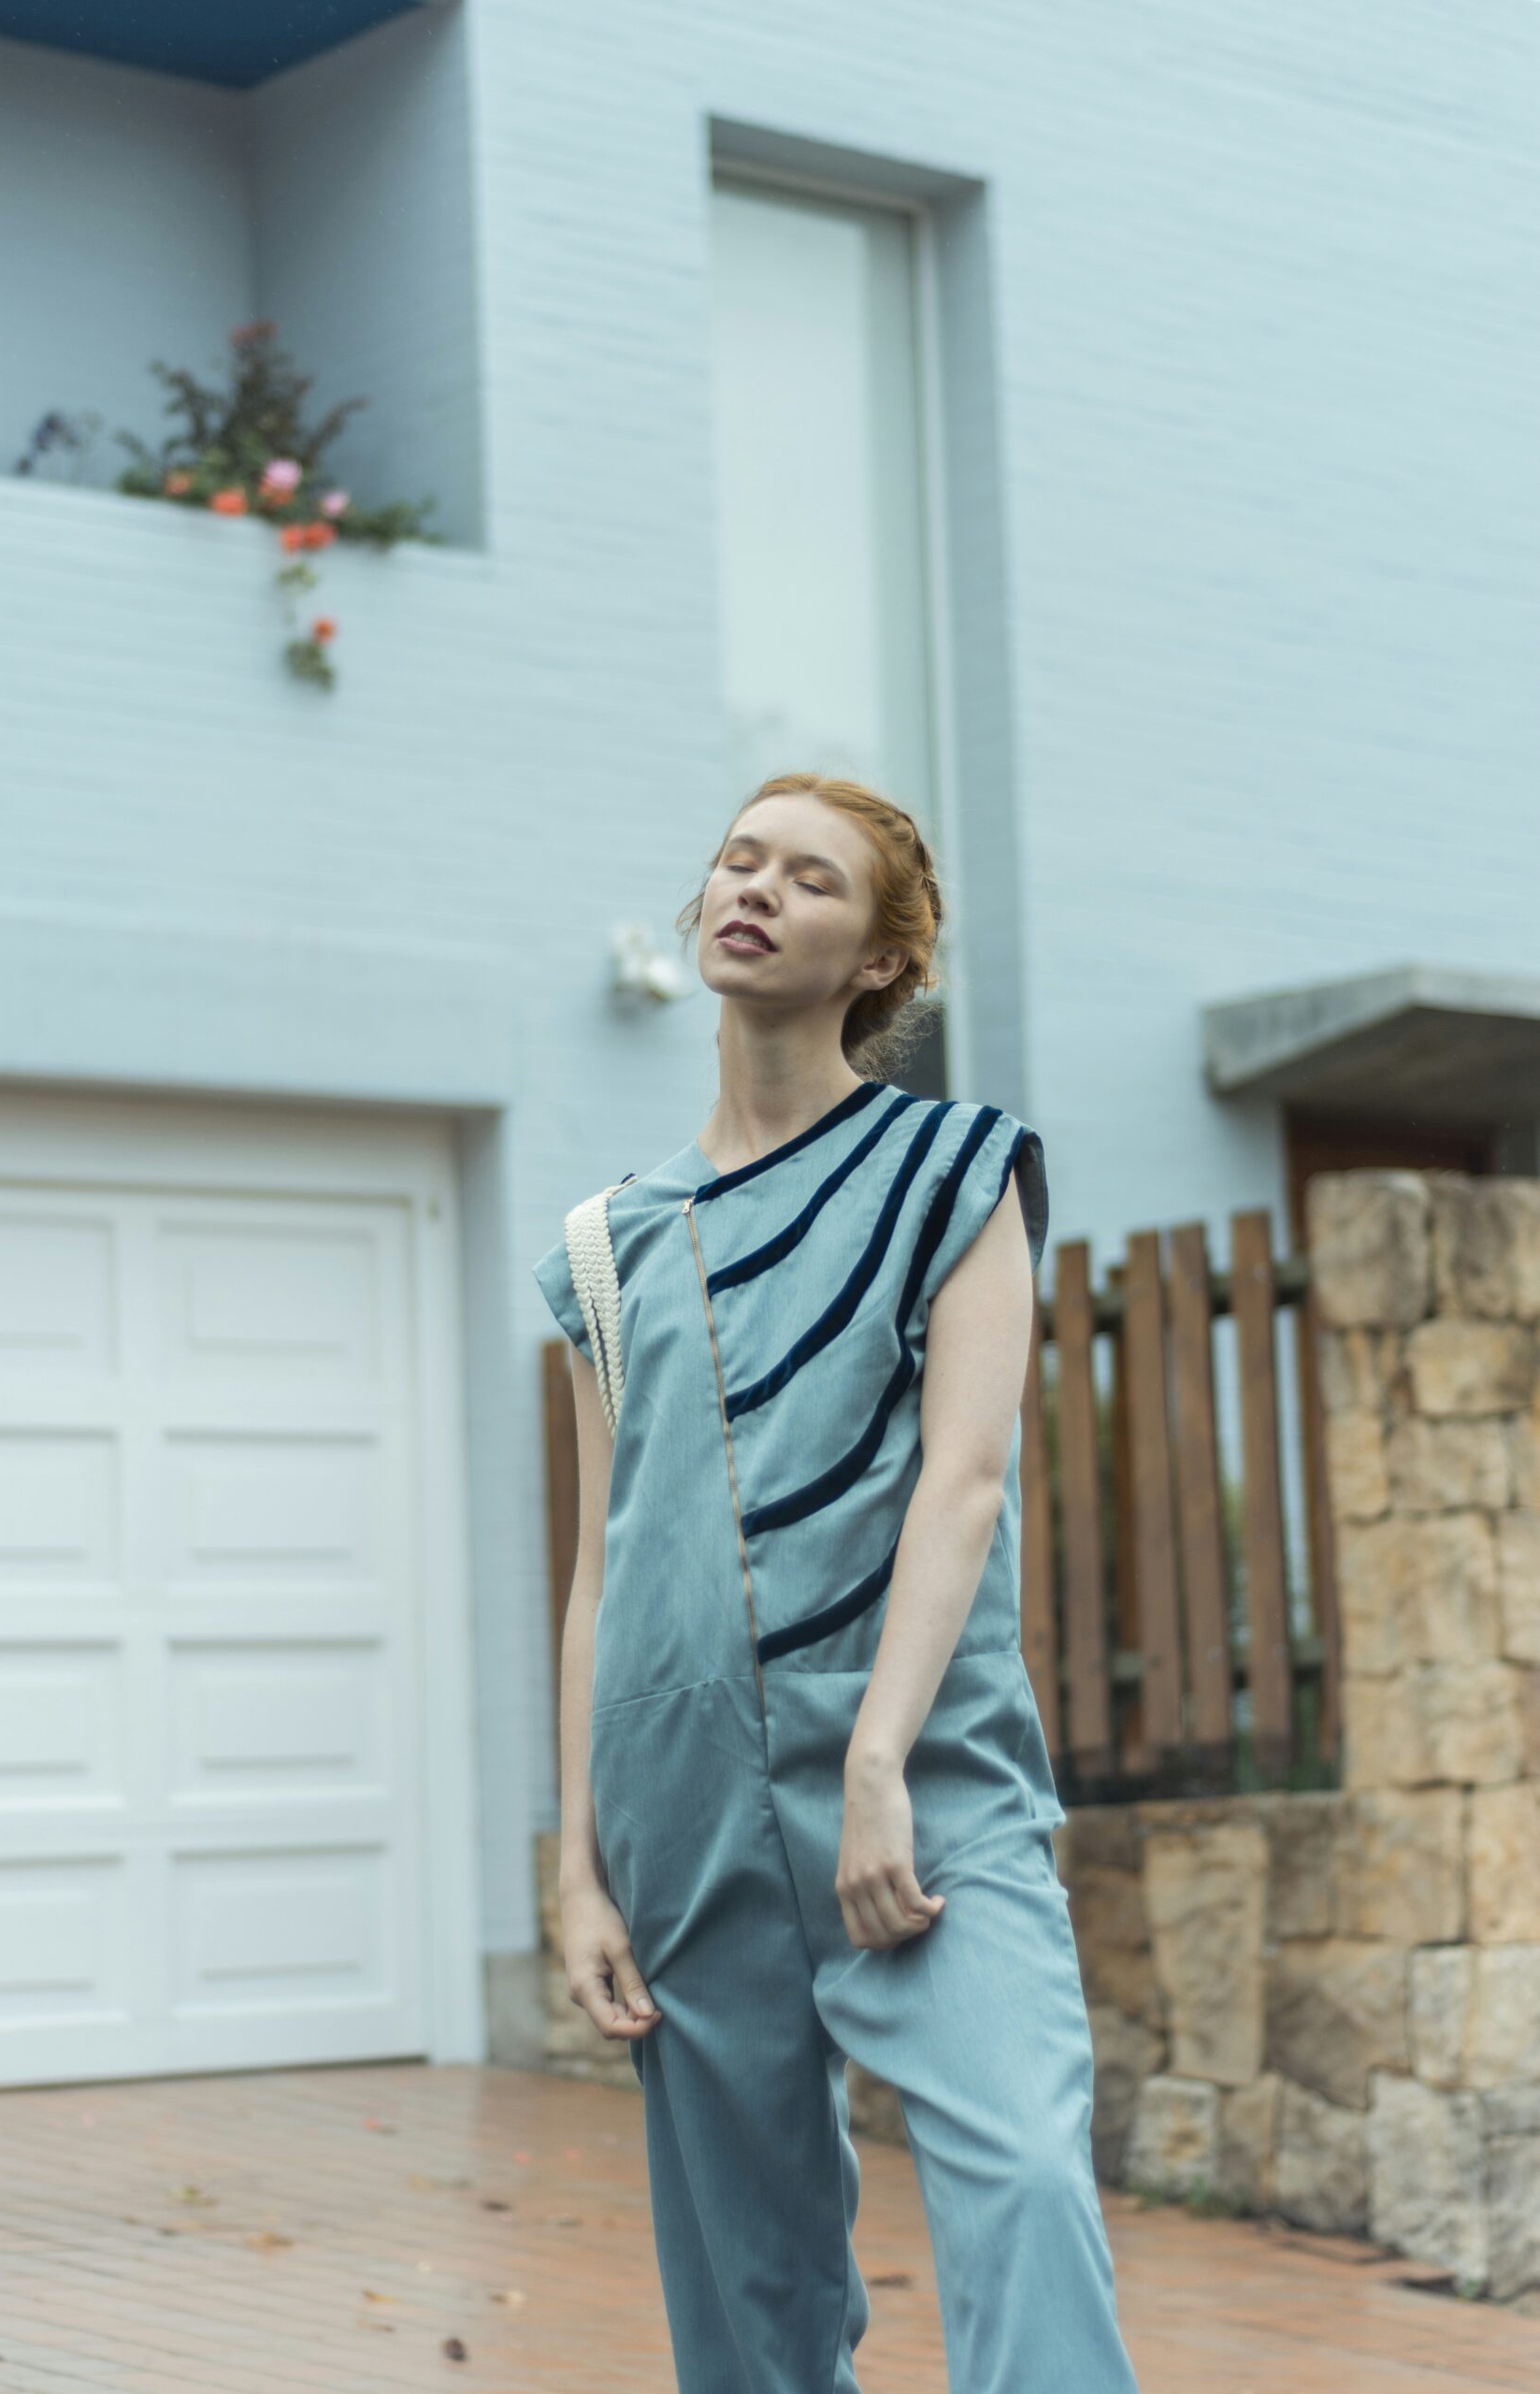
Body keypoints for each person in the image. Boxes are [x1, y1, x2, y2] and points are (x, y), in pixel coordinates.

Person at [532, 771, 1141, 2394]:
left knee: (1018, 2172)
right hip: (679, 1793)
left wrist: (878, 1758)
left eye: (810, 881)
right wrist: (581, 1869)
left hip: (921, 1766)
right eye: (740, 861)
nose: (757, 891)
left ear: (880, 960)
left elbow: (967, 1478)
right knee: (749, 2279)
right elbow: (600, 1569)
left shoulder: (957, 1170)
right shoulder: (607, 1243)